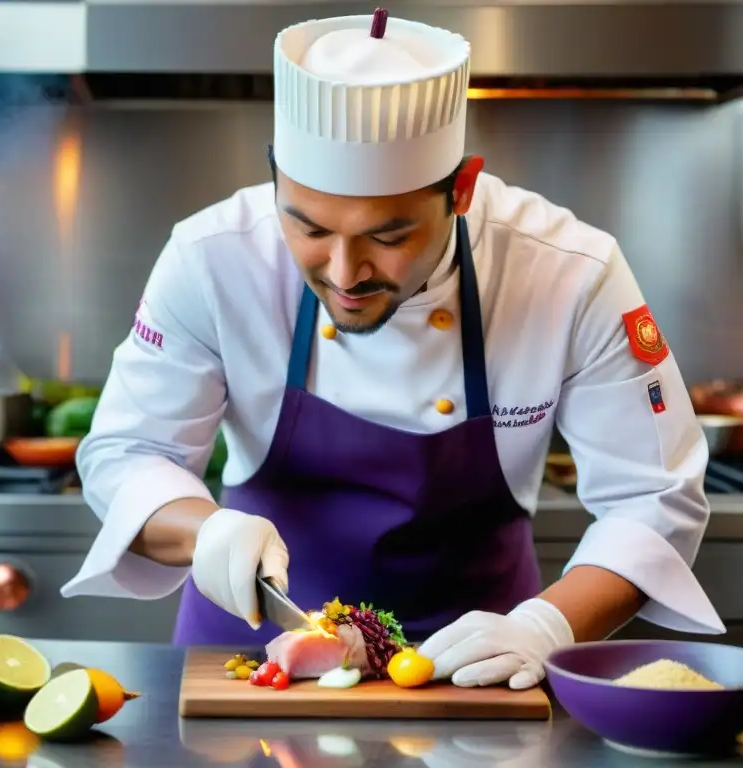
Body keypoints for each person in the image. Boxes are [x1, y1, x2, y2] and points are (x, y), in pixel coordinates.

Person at [61, 10, 724, 689]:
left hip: (481, 671)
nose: (346, 274)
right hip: (253, 660)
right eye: (309, 227)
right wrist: (204, 532)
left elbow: (653, 499)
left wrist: (544, 628)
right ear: (276, 180)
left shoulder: (569, 271)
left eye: (388, 236)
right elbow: (128, 453)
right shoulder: (211, 259)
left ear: (461, 190)